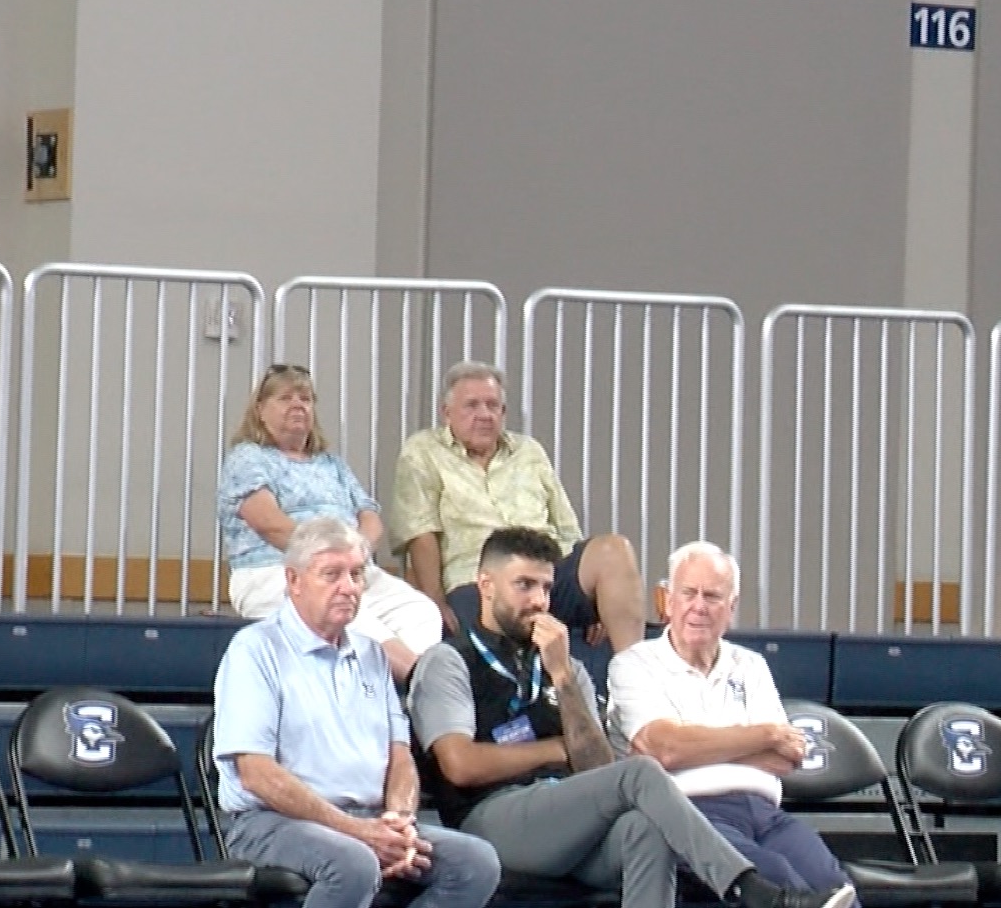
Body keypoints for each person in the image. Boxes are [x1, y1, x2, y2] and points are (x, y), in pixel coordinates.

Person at [406, 528, 853, 908]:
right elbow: (461, 766)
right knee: (639, 774)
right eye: (523, 585)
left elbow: (598, 767)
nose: (539, 601)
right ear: (485, 585)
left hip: (567, 811)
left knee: (647, 830)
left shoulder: (561, 661)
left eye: (546, 587)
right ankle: (749, 889)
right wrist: (555, 748)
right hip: (494, 815)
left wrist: (562, 677)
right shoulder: (450, 660)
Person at [213, 516, 501, 908]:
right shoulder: (255, 650)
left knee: (476, 863)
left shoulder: (371, 654)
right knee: (354, 863)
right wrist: (357, 831)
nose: (348, 587)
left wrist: (397, 823)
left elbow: (399, 756)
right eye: (331, 574)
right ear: (293, 581)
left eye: (356, 574)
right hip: (273, 822)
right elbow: (257, 774)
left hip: (368, 818)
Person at [608, 542, 851, 895]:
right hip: (688, 813)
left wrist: (701, 743)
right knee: (779, 881)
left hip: (766, 813)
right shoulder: (634, 664)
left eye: (713, 597)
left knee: (834, 885)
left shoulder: (750, 665)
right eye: (688, 593)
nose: (699, 607)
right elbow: (666, 750)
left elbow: (784, 757)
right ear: (667, 601)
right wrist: (764, 733)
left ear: (731, 607)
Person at [389, 360, 646, 654]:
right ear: (446, 413)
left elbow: (566, 528)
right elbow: (421, 533)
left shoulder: (529, 451)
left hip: (547, 573)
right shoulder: (422, 451)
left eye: (492, 405)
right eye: (471, 405)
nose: (484, 414)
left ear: (504, 412)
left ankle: (632, 676)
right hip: (479, 580)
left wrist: (596, 600)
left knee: (614, 549)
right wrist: (434, 599)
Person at [219, 364, 443, 679]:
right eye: (285, 398)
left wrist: (359, 550)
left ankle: (406, 691)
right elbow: (268, 522)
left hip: (350, 568)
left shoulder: (331, 463)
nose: (298, 405)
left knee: (419, 611)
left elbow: (368, 515)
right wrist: (327, 557)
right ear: (260, 410)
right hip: (278, 571)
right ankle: (420, 683)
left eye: (306, 398)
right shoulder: (248, 457)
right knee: (352, 616)